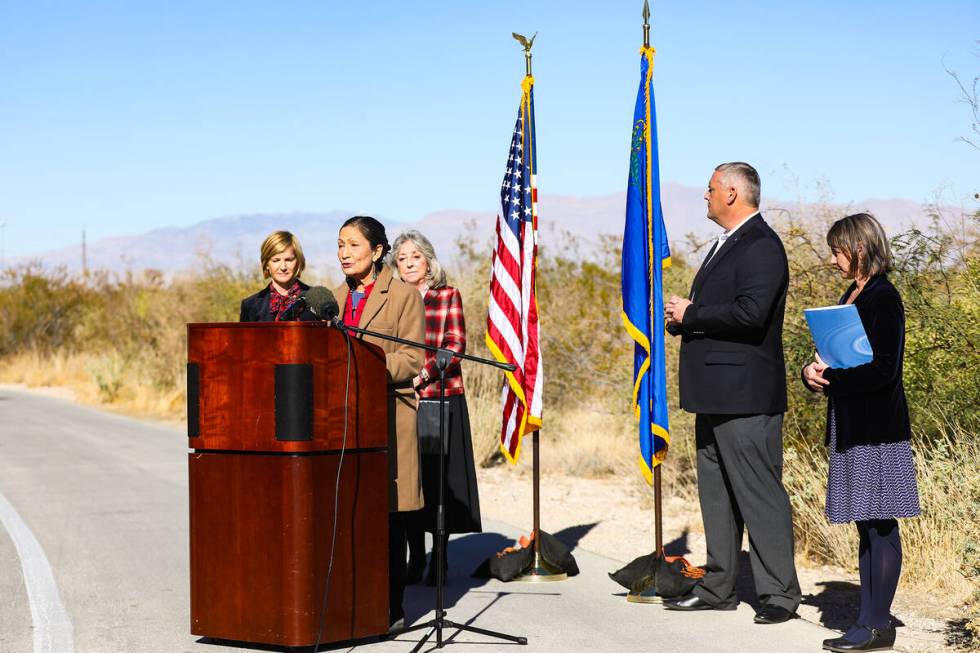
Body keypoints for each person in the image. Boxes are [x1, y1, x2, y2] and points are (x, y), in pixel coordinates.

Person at [663, 162, 801, 624]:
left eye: (709, 189)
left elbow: (751, 313)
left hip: (746, 397)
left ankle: (780, 594)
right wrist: (684, 321)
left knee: (759, 495)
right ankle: (718, 585)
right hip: (712, 395)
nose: (704, 196)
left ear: (732, 194)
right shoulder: (727, 243)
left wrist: (694, 312)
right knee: (717, 496)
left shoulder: (761, 245)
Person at [802, 214, 920, 653]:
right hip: (851, 424)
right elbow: (834, 355)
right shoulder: (852, 294)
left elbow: (884, 369)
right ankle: (867, 622)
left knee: (881, 524)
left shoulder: (884, 298)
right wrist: (809, 371)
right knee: (865, 525)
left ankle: (876, 627)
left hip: (878, 428)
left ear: (860, 248)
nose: (833, 260)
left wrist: (833, 377)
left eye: (837, 250)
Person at [331, 215, 425, 630]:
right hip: (341, 424)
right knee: (347, 514)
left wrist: (365, 366)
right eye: (339, 245)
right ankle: (349, 604)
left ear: (377, 251)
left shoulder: (403, 296)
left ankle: (391, 608)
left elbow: (412, 360)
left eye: (353, 245)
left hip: (388, 418)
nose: (344, 253)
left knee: (387, 516)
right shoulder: (330, 300)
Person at [391, 230, 482, 586]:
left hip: (439, 399)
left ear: (428, 259)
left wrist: (423, 375)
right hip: (402, 400)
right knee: (411, 482)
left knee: (438, 483)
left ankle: (439, 558)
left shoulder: (447, 295)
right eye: (402, 258)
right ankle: (415, 557)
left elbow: (455, 343)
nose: (409, 262)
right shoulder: (395, 300)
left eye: (415, 256)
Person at [239, 230, 314, 322]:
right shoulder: (251, 306)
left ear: (298, 262)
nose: (283, 267)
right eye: (276, 260)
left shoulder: (316, 300)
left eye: (289, 260)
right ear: (266, 264)